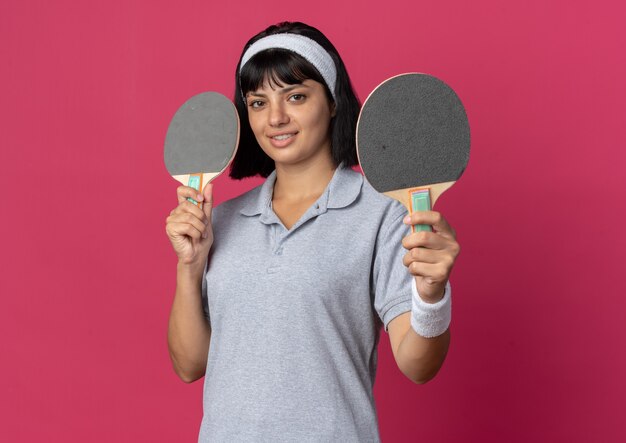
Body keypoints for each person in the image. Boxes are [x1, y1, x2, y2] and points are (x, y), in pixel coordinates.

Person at [165, 21, 460, 442]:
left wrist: (432, 294)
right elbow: (189, 365)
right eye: (257, 102)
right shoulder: (222, 219)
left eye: (296, 96)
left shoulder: (383, 214)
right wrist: (189, 266)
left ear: (334, 102)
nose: (276, 118)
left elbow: (418, 365)